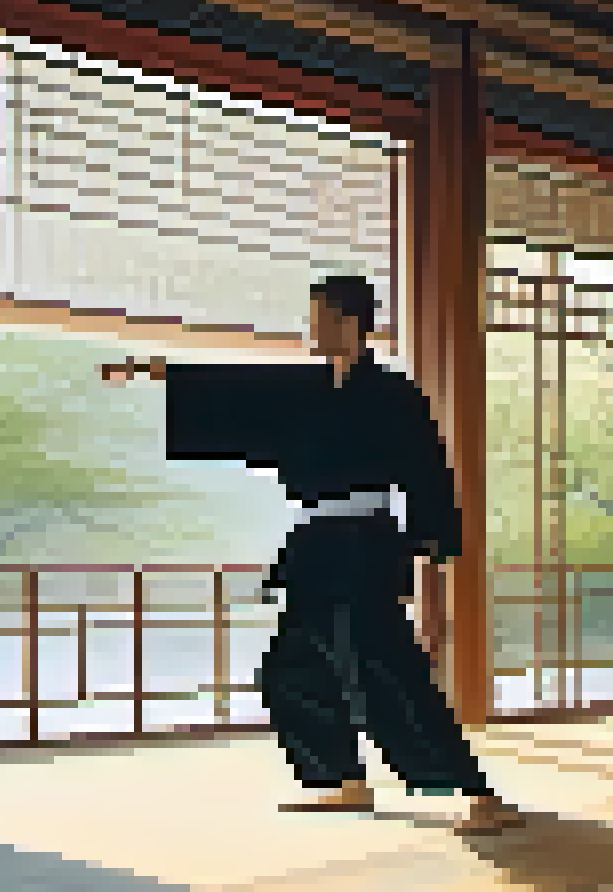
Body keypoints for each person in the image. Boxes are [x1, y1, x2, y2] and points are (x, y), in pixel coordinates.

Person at [105, 275, 520, 836]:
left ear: (351, 322)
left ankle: (477, 794)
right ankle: (344, 778)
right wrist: (147, 371)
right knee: (291, 669)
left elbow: (429, 482)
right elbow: (233, 391)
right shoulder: (308, 390)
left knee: (384, 672)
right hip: (316, 548)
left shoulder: (395, 396)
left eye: (321, 318)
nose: (313, 329)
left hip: (366, 546)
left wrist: (435, 580)